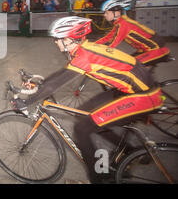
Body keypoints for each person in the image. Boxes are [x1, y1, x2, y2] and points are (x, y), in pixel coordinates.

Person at [11, 16, 164, 183]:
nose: (55, 42)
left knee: (82, 128)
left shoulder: (84, 56)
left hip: (143, 96)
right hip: (132, 89)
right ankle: (131, 151)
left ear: (69, 39)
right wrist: (39, 84)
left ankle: (98, 178)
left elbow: (55, 84)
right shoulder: (85, 48)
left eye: (57, 39)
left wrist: (26, 102)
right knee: (84, 113)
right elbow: (60, 75)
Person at [96, 0, 170, 66]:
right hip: (145, 50)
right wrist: (92, 45)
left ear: (117, 13)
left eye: (107, 13)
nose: (104, 15)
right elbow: (107, 37)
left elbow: (113, 44)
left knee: (131, 67)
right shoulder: (119, 23)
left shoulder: (123, 24)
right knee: (125, 63)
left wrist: (97, 52)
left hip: (155, 49)